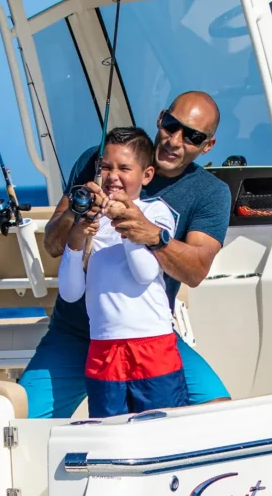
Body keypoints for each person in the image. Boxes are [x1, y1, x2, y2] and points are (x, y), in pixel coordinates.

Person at [20, 89, 234, 417]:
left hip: (147, 334)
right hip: (75, 333)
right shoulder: (99, 159)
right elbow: (52, 245)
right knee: (21, 424)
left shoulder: (210, 193)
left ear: (208, 146)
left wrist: (154, 237)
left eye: (191, 136)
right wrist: (76, 216)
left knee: (218, 411)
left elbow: (195, 270)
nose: (175, 140)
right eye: (171, 126)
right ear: (160, 119)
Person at [56, 128, 186, 415]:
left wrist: (122, 220)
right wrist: (76, 240)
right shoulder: (91, 218)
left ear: (147, 175)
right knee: (108, 436)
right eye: (106, 167)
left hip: (153, 348)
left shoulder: (156, 213)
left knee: (164, 429)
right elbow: (70, 291)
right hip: (103, 351)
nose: (113, 176)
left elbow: (144, 271)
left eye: (124, 168)